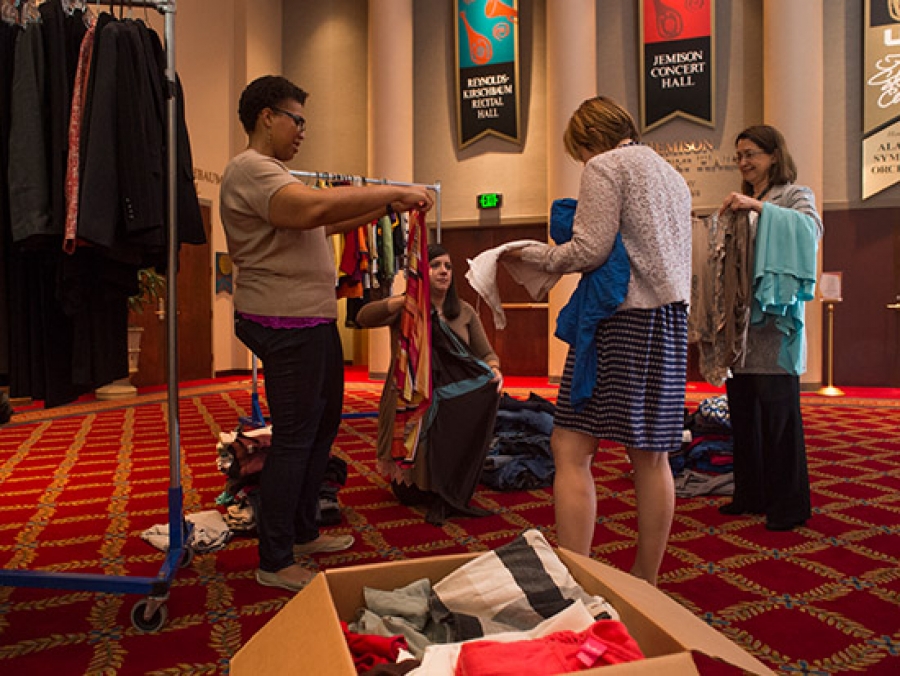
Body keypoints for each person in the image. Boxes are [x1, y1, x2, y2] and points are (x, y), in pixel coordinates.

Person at [219, 75, 433, 592]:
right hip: (283, 323)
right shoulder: (252, 170)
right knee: (295, 438)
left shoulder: (275, 177)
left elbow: (322, 223)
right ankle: (274, 558)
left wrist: (388, 208)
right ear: (267, 117)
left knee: (320, 429)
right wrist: (399, 190)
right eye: (297, 120)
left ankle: (301, 531)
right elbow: (314, 209)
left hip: (309, 321)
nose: (302, 133)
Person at [503, 96, 692, 585]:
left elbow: (591, 248)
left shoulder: (607, 165)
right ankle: (647, 578)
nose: (582, 163)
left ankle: (576, 573)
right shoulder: (670, 174)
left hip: (621, 319)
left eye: (580, 153)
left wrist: (533, 256)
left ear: (589, 140)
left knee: (570, 445)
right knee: (651, 455)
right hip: (668, 319)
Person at [717, 125, 822, 531]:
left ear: (774, 156)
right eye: (739, 155)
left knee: (779, 418)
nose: (744, 162)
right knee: (743, 412)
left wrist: (760, 210)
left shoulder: (794, 194)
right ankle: (750, 494)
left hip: (775, 323)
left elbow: (809, 231)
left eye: (751, 154)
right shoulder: (743, 198)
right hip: (742, 323)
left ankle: (789, 505)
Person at [356, 243, 502, 525]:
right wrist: (405, 299)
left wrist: (494, 370)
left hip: (451, 401)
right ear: (421, 272)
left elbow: (486, 354)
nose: (444, 271)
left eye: (448, 266)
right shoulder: (406, 310)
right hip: (408, 397)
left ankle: (444, 479)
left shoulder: (464, 312)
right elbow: (363, 317)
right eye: (435, 266)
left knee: (443, 476)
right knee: (408, 493)